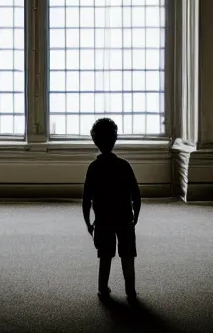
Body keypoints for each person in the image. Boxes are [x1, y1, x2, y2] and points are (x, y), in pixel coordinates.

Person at [82, 117, 141, 303]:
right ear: (115, 138)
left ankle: (102, 289)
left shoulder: (93, 168)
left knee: (105, 257)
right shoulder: (124, 166)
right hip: (125, 219)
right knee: (128, 257)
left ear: (95, 141)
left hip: (103, 221)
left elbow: (86, 200)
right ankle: (130, 291)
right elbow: (136, 195)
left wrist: (88, 224)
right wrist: (135, 217)